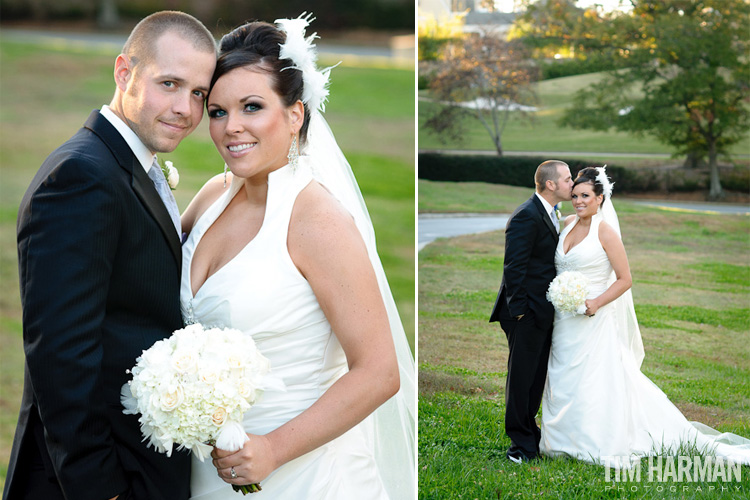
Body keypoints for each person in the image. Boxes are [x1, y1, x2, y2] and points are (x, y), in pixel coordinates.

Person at [178, 16, 416, 499]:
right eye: (218, 112)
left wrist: (272, 449)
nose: (231, 127)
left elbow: (379, 372)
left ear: (294, 115)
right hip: (206, 471)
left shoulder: (317, 219)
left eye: (252, 107)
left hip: (299, 474)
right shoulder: (210, 198)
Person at [4, 11, 216, 500]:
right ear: (125, 72)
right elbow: (60, 355)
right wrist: (103, 488)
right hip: (93, 476)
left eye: (199, 94)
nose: (186, 108)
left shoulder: (130, 165)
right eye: (170, 83)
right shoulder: (81, 177)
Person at [540, 166, 750, 467]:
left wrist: (596, 303)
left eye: (585, 195)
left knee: (592, 379)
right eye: (574, 195)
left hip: (594, 318)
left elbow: (625, 279)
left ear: (600, 198)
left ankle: (592, 440)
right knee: (562, 376)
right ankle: (558, 440)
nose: (578, 201)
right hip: (563, 319)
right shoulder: (567, 223)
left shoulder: (605, 232)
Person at [489, 160, 573, 463]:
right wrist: (522, 313)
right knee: (521, 380)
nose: (571, 184)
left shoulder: (551, 212)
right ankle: (519, 446)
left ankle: (530, 433)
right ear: (550, 184)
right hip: (523, 313)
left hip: (542, 311)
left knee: (535, 378)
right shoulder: (526, 215)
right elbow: (514, 268)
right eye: (566, 179)